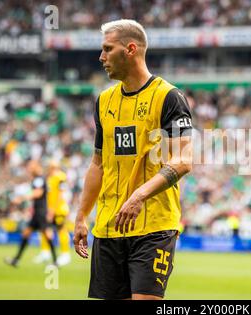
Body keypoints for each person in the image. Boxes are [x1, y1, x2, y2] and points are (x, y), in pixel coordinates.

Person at [73, 19, 193, 300]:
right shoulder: (103, 101)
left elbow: (185, 159)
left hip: (153, 226)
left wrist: (139, 195)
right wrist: (81, 216)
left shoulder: (169, 97)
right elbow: (98, 164)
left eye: (107, 49)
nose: (101, 57)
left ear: (130, 49)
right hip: (108, 226)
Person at [5, 160, 58, 267]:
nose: (29, 169)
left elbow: (38, 193)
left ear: (35, 167)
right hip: (38, 212)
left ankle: (55, 261)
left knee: (47, 235)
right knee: (26, 233)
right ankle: (16, 260)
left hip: (41, 212)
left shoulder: (38, 179)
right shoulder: (38, 179)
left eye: (30, 167)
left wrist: (21, 198)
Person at [33, 160, 72, 266]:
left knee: (61, 230)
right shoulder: (49, 178)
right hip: (50, 209)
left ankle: (65, 254)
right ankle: (45, 252)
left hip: (59, 209)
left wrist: (52, 210)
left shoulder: (60, 177)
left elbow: (60, 195)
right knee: (45, 230)